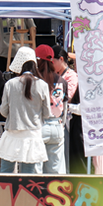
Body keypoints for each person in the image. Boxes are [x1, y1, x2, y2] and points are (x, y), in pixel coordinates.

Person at [0, 47, 50, 174]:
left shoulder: (10, 84)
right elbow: (47, 113)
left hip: (12, 133)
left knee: (6, 172)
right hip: (32, 135)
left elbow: (3, 111)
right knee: (28, 175)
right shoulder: (43, 85)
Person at [35, 44, 68, 174]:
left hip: (40, 126)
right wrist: (61, 124)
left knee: (37, 171)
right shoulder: (62, 81)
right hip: (57, 126)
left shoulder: (36, 81)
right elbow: (65, 106)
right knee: (56, 172)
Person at [52, 45, 85, 174]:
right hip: (58, 119)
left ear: (61, 59)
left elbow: (68, 98)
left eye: (53, 61)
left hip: (71, 121)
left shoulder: (71, 76)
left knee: (71, 156)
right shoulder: (54, 75)